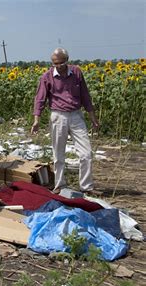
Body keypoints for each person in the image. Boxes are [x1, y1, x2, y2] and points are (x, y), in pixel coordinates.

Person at [31, 47, 99, 194]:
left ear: (67, 61)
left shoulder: (76, 72)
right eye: (55, 63)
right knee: (58, 154)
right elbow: (40, 99)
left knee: (86, 153)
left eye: (61, 63)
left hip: (76, 115)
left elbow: (85, 96)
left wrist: (93, 118)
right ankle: (60, 185)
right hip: (58, 116)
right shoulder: (47, 77)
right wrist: (36, 120)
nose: (58, 66)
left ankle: (86, 187)